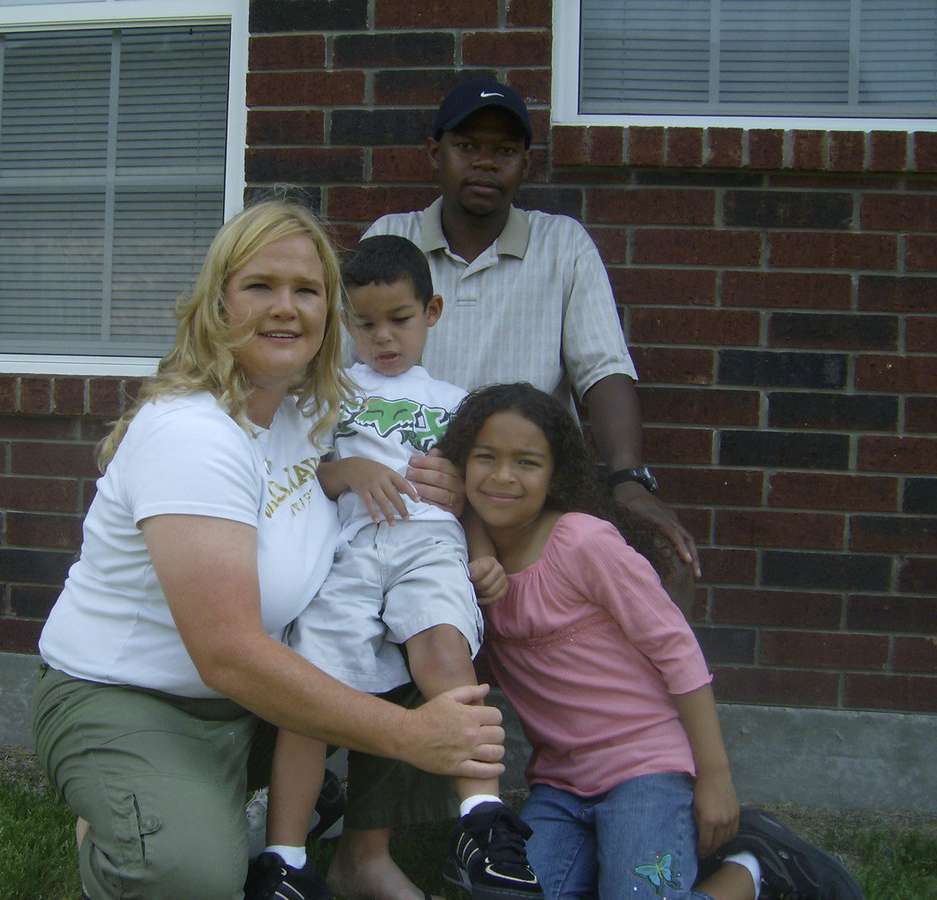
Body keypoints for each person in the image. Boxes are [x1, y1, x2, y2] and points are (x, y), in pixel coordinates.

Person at [28, 199, 507, 900]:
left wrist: (453, 497)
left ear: (327, 313)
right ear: (218, 303)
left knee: (422, 620)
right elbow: (226, 652)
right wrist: (412, 739)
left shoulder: (308, 411)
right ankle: (136, 811)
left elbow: (397, 480)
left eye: (306, 290)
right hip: (136, 699)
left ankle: (356, 855)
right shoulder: (192, 434)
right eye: (261, 287)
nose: (286, 308)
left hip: (252, 706)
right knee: (189, 880)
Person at [436, 382, 864, 900]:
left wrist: (715, 777)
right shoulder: (461, 554)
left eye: (527, 462)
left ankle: (754, 871)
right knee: (508, 893)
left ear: (556, 475)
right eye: (486, 457)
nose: (503, 476)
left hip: (646, 770)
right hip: (559, 783)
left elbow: (677, 650)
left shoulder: (583, 543)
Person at [247, 235, 541, 900]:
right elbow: (299, 476)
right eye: (365, 321)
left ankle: (482, 823)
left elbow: (471, 498)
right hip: (349, 551)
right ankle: (285, 860)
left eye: (399, 320)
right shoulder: (326, 392)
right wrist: (347, 470)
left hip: (430, 546)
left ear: (432, 311)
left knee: (441, 654)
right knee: (311, 687)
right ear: (345, 319)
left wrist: (483, 550)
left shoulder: (459, 404)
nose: (383, 337)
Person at [363, 77, 701, 608]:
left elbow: (603, 369)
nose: (486, 162)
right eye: (467, 146)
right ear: (436, 152)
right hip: (420, 483)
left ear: (527, 163)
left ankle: (631, 694)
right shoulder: (393, 239)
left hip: (529, 488)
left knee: (665, 559)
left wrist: (629, 478)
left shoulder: (562, 244)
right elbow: (342, 371)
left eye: (504, 150)